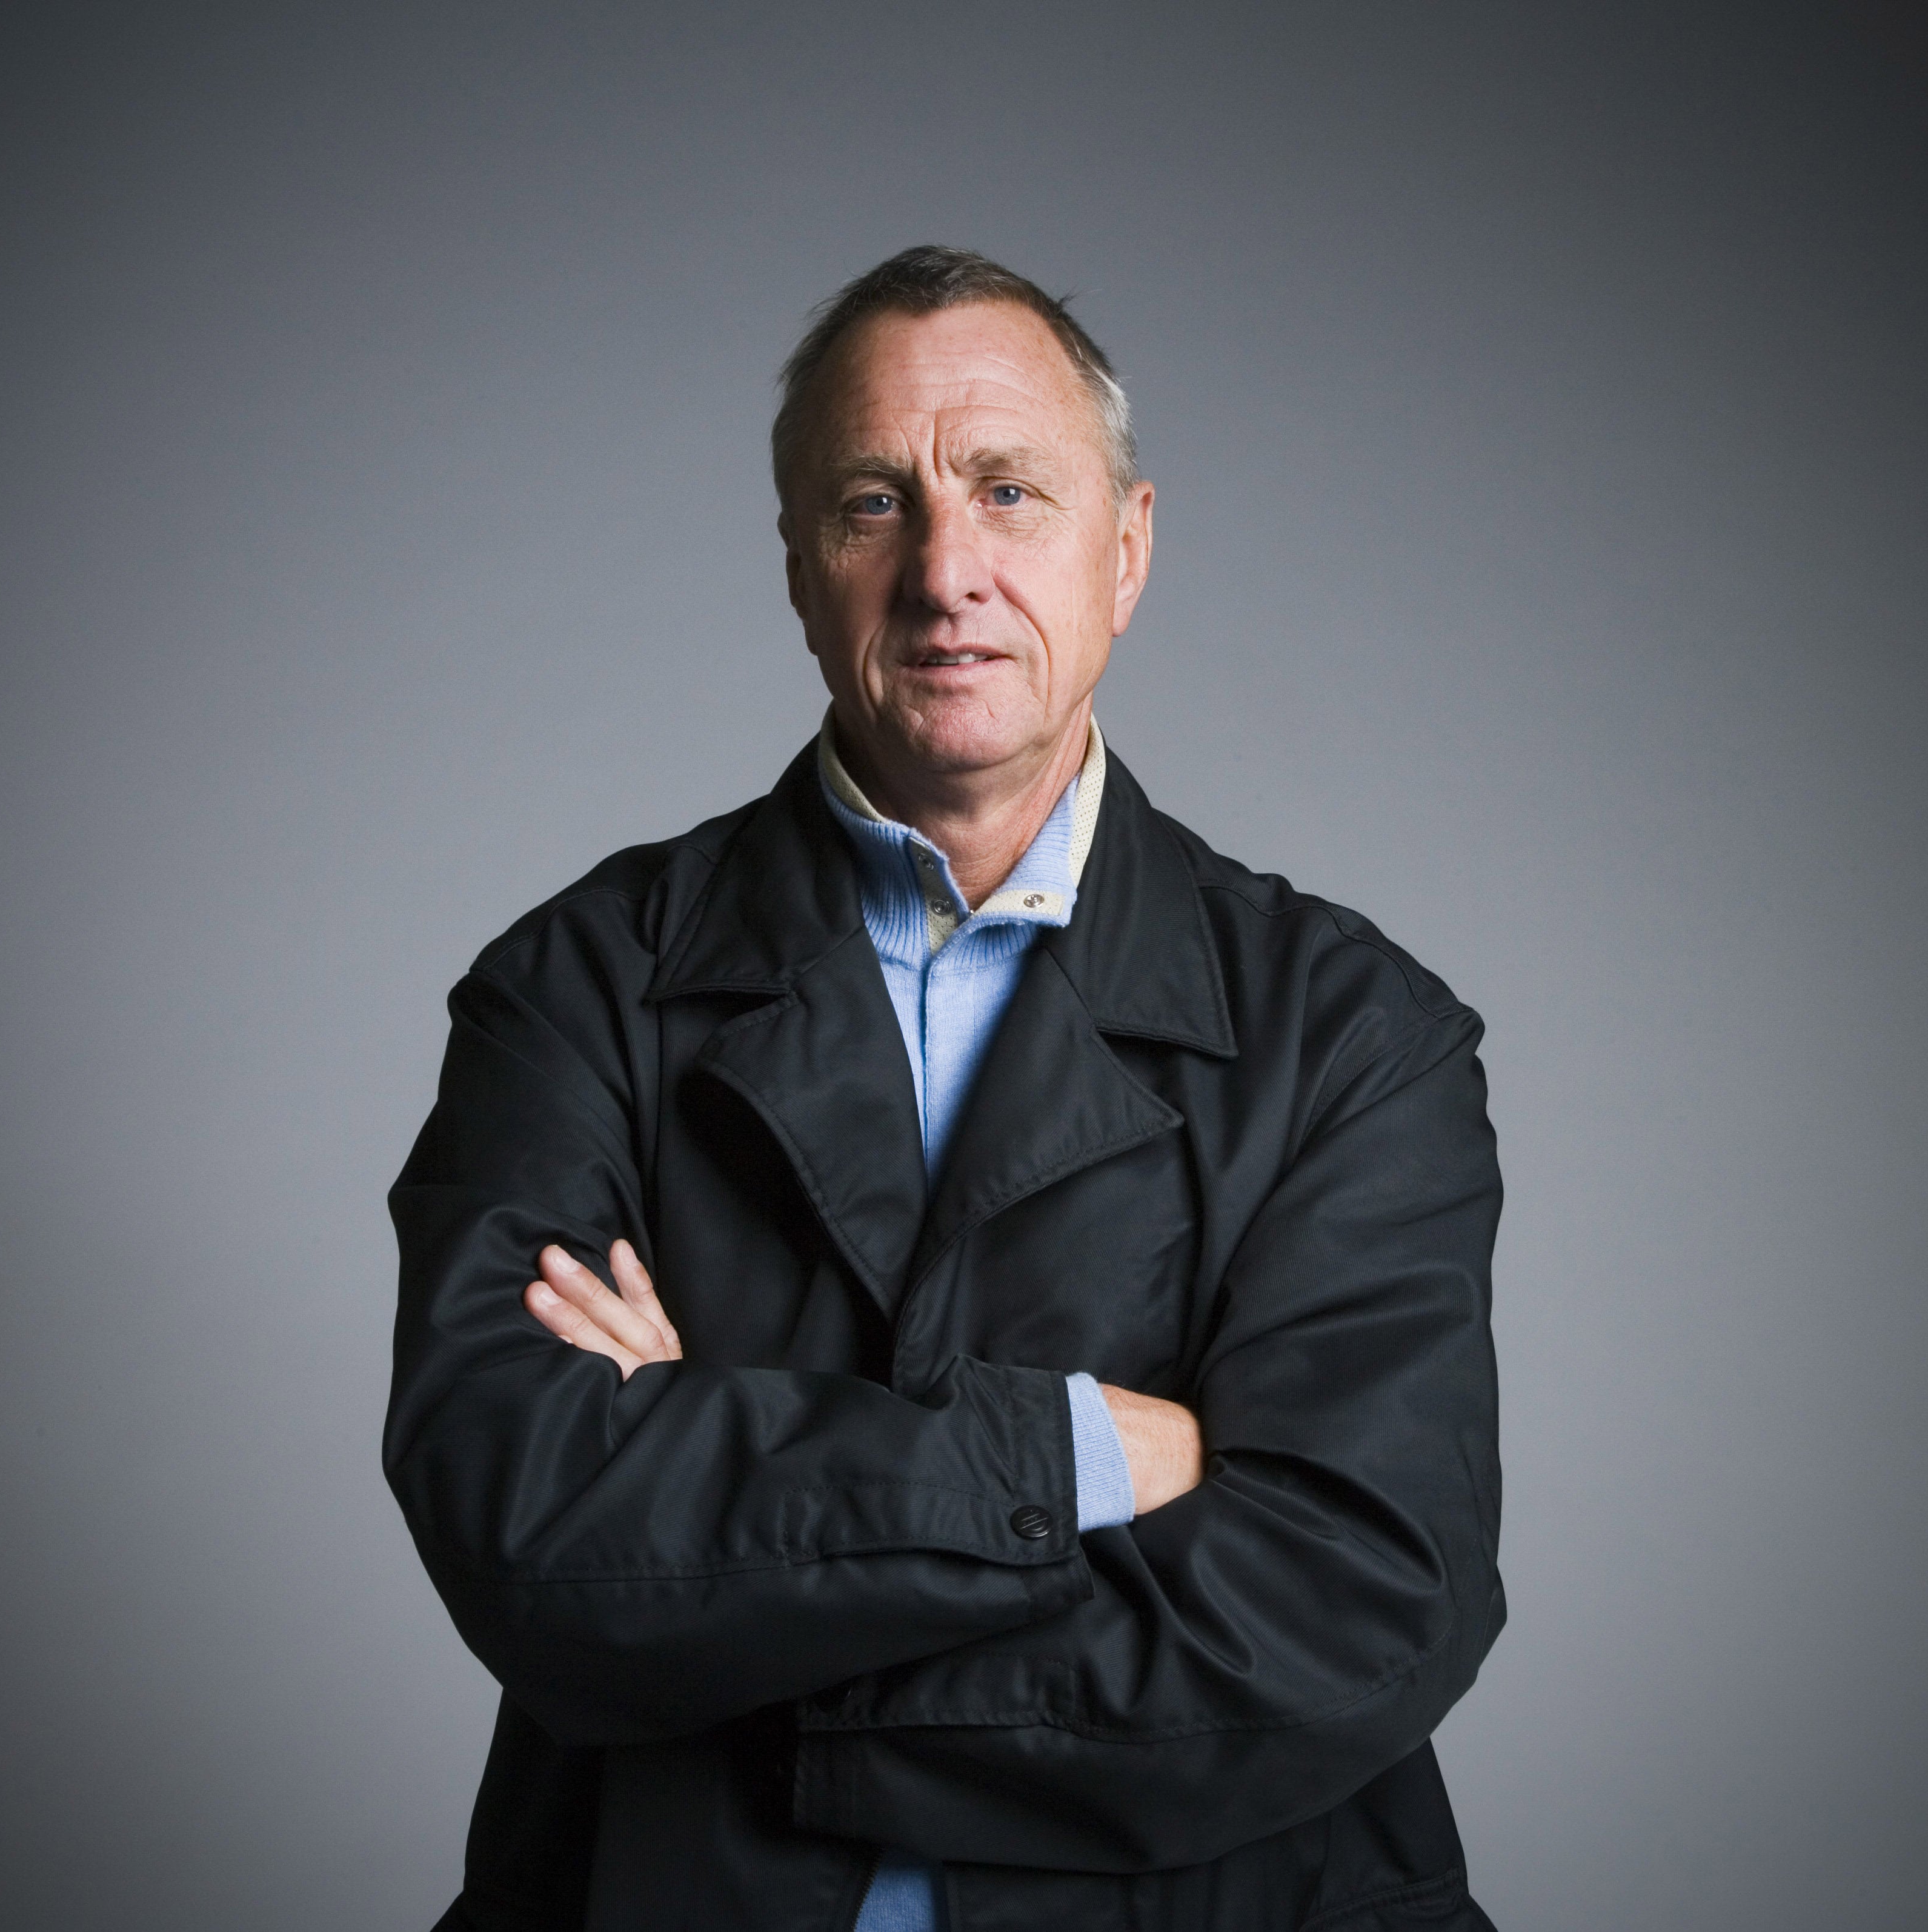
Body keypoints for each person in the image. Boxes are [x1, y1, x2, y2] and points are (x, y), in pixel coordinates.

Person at [385, 245, 1504, 1932]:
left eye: (1006, 490)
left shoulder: (1353, 1030)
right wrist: (1068, 1458)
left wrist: (739, 1603)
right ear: (794, 563)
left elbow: (1356, 1602)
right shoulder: (578, 987)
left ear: (1123, 549)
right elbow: (530, 1524)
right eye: (868, 503)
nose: (943, 570)